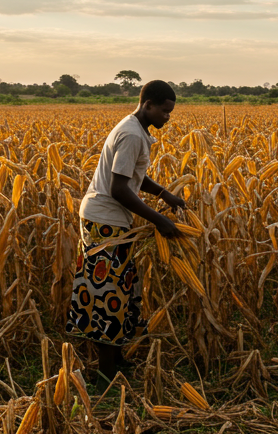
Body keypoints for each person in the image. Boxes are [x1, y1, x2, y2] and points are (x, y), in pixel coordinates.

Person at [67, 80, 187, 380]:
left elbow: (131, 175)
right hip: (104, 220)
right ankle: (106, 372)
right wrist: (159, 220)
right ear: (147, 104)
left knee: (122, 288)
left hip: (110, 220)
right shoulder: (132, 135)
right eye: (164, 111)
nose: (167, 118)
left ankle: (116, 359)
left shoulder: (136, 129)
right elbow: (119, 188)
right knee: (108, 292)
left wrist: (164, 194)